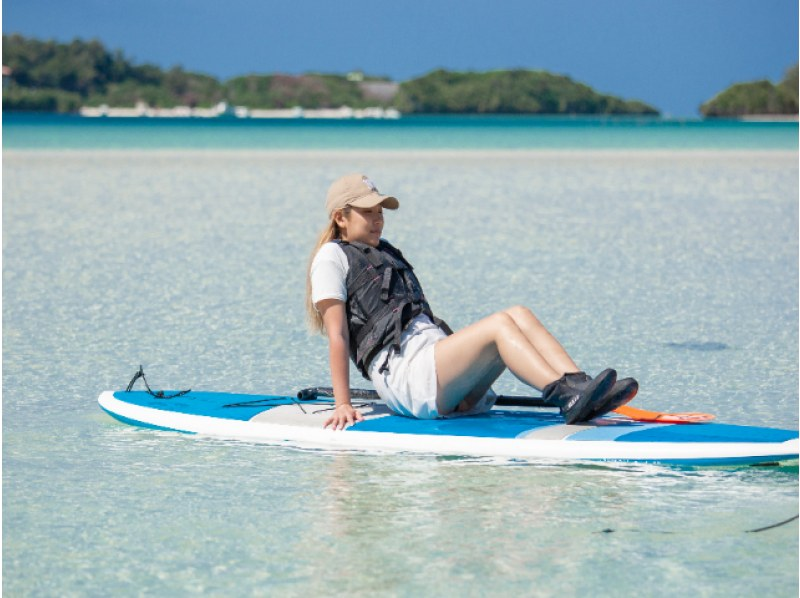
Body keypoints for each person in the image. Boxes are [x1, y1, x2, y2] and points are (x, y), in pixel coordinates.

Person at [307, 173, 638, 430]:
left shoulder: (383, 252)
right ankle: (564, 396)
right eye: (368, 212)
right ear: (340, 217)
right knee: (499, 327)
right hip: (408, 379)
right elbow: (338, 335)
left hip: (438, 374)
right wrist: (342, 404)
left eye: (380, 212)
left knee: (518, 314)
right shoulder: (331, 257)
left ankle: (581, 387)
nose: (378, 219)